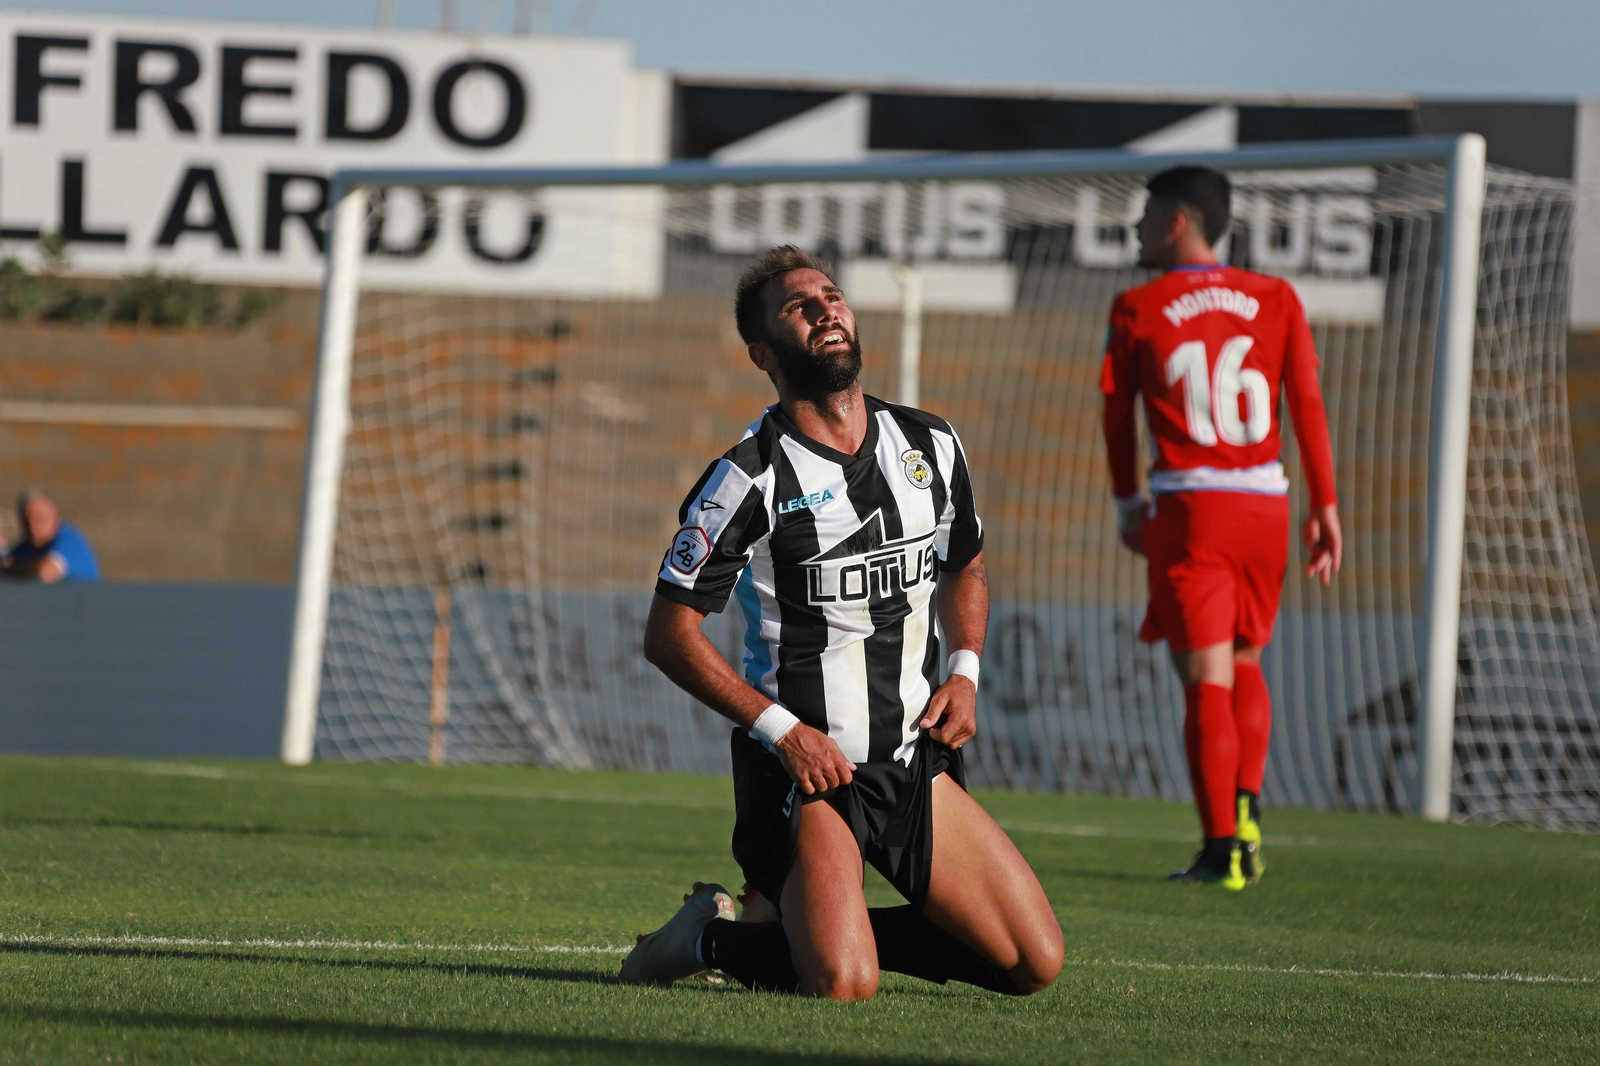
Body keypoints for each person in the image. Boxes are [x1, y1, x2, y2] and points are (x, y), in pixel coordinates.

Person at [625, 245, 1064, 999]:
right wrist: (784, 734)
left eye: (831, 295)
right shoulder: (749, 476)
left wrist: (965, 672)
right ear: (764, 353)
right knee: (842, 982)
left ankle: (757, 935)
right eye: (800, 306)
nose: (826, 308)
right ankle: (704, 940)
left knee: (1031, 963)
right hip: (807, 773)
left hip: (909, 758)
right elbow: (669, 634)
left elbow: (967, 563)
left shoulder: (930, 443)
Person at [1101, 167, 1341, 889]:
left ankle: (1221, 850)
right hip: (1267, 504)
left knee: (1201, 673)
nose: (1136, 228)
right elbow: (1306, 401)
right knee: (1243, 663)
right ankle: (1245, 809)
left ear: (1178, 221)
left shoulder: (1139, 305)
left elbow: (1117, 417)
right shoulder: (1276, 296)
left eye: (1146, 215)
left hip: (1192, 507)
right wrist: (1324, 508)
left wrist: (1127, 505)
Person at [1, 490, 100, 583]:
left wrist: (14, 568)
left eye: (40, 519)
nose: (33, 527)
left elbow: (46, 573)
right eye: (26, 522)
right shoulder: (26, 546)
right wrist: (2, 550)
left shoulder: (69, 541)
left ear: (56, 517)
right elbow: (6, 564)